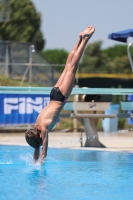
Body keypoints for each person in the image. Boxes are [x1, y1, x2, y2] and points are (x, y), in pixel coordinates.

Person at [25, 26, 95, 164]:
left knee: (73, 65)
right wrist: (34, 162)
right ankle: (80, 38)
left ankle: (85, 40)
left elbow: (43, 149)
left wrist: (40, 164)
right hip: (54, 94)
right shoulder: (36, 126)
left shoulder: (43, 129)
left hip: (60, 97)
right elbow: (37, 147)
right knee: (68, 65)